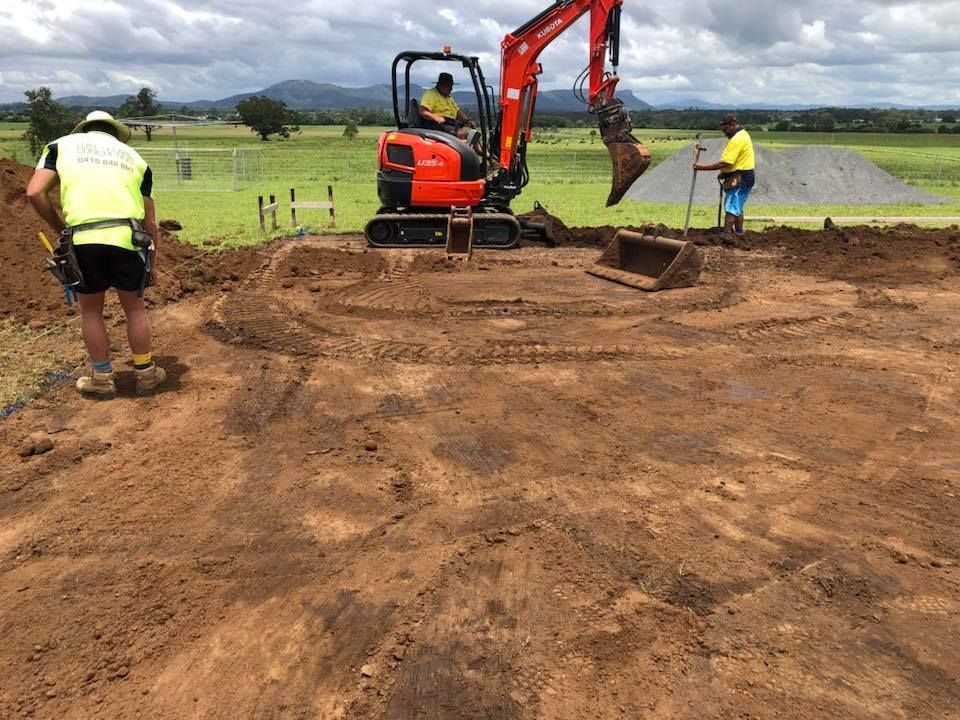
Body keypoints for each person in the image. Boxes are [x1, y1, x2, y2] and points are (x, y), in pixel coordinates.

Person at [26, 110, 166, 400]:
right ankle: (146, 373)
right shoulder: (135, 159)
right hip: (128, 238)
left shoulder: (60, 146)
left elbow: (35, 192)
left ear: (84, 130)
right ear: (114, 133)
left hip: (85, 238)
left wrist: (61, 228)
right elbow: (151, 220)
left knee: (91, 311)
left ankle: (102, 378)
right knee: (135, 309)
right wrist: (152, 261)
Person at [694, 113, 756, 235]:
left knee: (732, 207)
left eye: (725, 128)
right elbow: (733, 163)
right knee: (737, 206)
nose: (724, 131)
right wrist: (725, 174)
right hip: (740, 175)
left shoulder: (737, 139)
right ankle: (739, 233)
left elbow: (726, 162)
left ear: (732, 125)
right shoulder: (741, 135)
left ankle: (726, 234)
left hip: (741, 177)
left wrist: (702, 167)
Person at [419, 72, 477, 144]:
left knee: (473, 137)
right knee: (465, 135)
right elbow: (423, 111)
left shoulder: (448, 98)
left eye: (451, 86)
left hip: (449, 124)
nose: (451, 89)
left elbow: (457, 112)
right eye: (449, 86)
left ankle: (486, 154)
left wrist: (467, 121)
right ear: (441, 85)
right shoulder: (430, 94)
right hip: (436, 126)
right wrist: (435, 117)